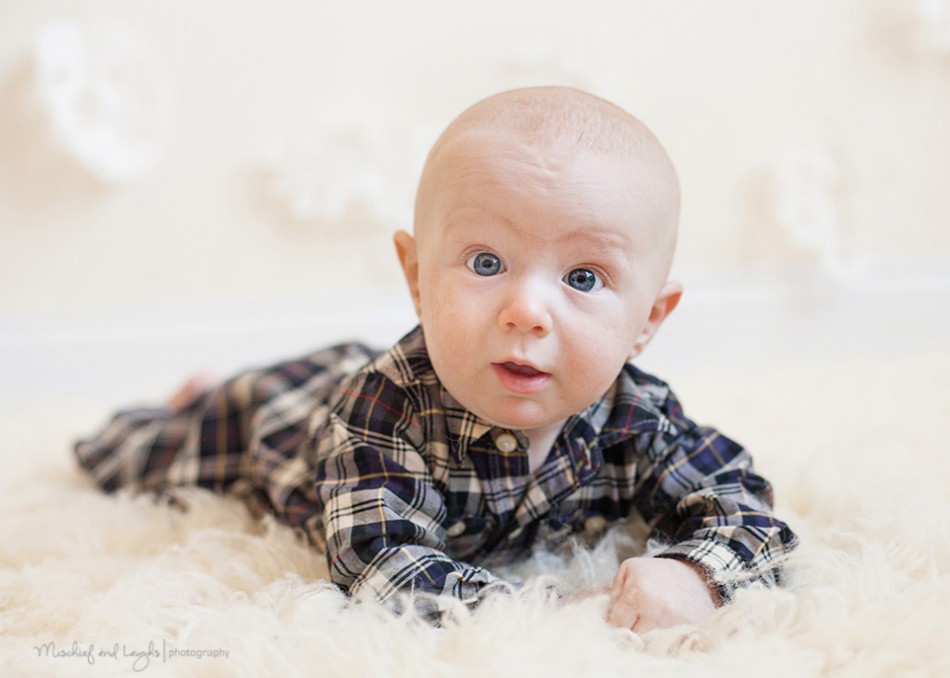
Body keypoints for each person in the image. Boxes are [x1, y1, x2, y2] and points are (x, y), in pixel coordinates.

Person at [75, 86, 797, 632]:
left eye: (583, 278)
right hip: (290, 422)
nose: (527, 311)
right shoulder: (380, 415)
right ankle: (201, 396)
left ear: (647, 320)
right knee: (143, 452)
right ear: (417, 278)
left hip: (378, 377)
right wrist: (551, 612)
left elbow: (745, 508)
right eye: (486, 261)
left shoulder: (635, 414)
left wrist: (695, 575)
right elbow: (385, 571)